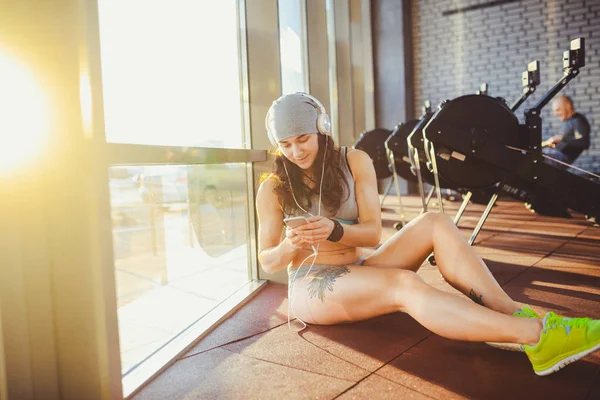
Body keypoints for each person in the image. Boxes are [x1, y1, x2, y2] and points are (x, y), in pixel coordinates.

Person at [256, 92, 600, 377]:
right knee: (404, 284)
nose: (296, 151)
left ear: (322, 128)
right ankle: (538, 337)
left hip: (359, 267)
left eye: (303, 139)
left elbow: (373, 234)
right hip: (311, 284)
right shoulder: (273, 188)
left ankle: (513, 312)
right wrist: (290, 245)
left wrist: (335, 230)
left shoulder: (355, 160)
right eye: (286, 145)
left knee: (435, 221)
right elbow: (267, 259)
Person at [542, 95, 591, 168]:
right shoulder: (568, 121)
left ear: (568, 106)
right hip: (553, 153)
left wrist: (561, 139)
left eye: (558, 109)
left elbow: (584, 143)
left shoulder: (578, 120)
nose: (555, 114)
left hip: (560, 157)